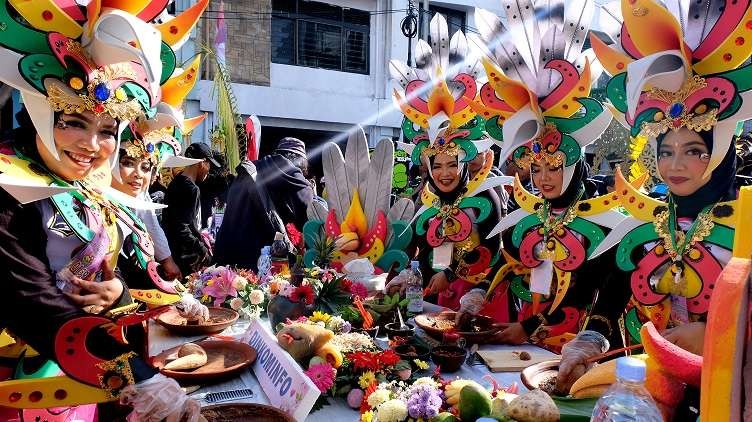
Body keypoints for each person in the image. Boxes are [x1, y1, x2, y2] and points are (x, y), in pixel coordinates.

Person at [0, 1, 208, 420]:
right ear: (42, 111)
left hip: (87, 379)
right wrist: (136, 376)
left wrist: (128, 298)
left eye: (108, 130)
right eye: (73, 121)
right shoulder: (8, 186)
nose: (91, 145)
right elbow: (30, 302)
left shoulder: (85, 188)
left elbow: (120, 273)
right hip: (23, 383)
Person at [565, 0, 752, 414]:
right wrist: (588, 342)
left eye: (694, 150)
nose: (675, 165)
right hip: (645, 399)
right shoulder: (644, 224)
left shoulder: (748, 223)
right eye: (665, 151)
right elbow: (610, 300)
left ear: (720, 150)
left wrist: (720, 333)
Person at [388, 13, 505, 310]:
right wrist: (409, 273)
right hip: (433, 299)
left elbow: (493, 249)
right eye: (436, 165)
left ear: (465, 162)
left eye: (452, 164)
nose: (444, 173)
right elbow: (423, 247)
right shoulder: (426, 198)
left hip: (477, 301)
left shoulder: (485, 197)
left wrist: (452, 275)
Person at [214, 137, 314, 270]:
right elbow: (310, 216)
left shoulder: (251, 168)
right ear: (301, 162)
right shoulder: (291, 173)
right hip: (260, 259)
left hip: (226, 252)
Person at [162, 142, 218, 276]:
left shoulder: (175, 183)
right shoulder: (192, 189)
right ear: (202, 163)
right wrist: (203, 251)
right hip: (185, 258)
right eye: (209, 164)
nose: (209, 170)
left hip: (171, 250)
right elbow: (183, 228)